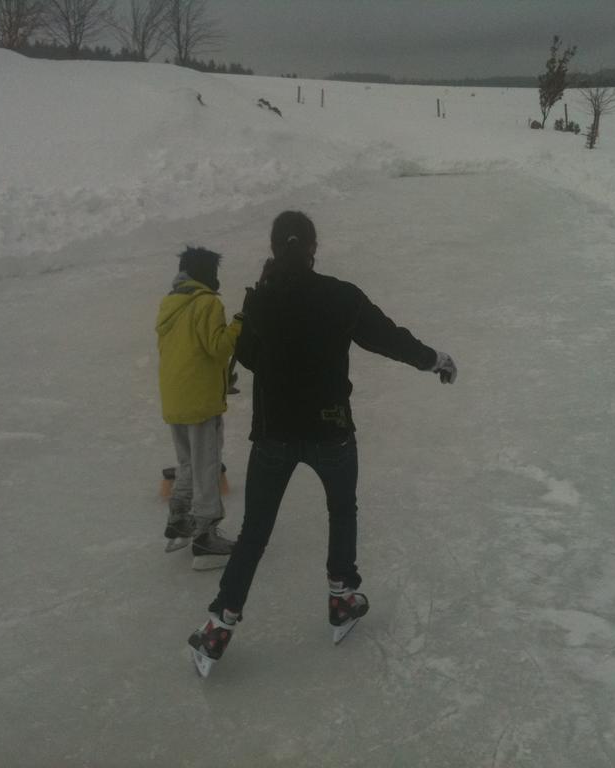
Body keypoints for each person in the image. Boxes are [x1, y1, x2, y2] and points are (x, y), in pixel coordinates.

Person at [188, 211, 457, 676]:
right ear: (313, 247)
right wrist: (435, 360)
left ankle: (219, 625)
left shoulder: (262, 300)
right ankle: (341, 598)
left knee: (255, 531)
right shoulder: (340, 295)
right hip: (331, 428)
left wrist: (265, 315)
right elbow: (388, 338)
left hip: (274, 433)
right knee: (342, 510)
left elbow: (247, 356)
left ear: (275, 248)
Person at [156, 246, 244, 571]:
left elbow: (188, 354)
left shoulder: (169, 303)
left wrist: (219, 380)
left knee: (187, 463)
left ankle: (179, 522)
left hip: (175, 398)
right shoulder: (208, 303)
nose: (218, 279)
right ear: (204, 274)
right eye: (214, 272)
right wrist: (238, 325)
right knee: (207, 463)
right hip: (200, 404)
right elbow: (217, 348)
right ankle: (205, 539)